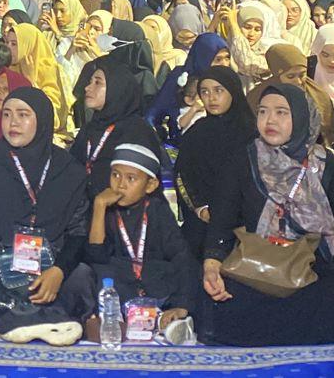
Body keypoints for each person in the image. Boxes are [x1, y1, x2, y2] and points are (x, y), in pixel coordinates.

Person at [200, 84, 334, 346]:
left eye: (281, 112)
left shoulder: (328, 168)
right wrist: (212, 267)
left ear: (300, 118)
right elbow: (221, 223)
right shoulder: (244, 161)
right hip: (256, 266)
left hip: (314, 269)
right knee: (220, 303)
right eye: (263, 112)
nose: (270, 120)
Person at [0, 87, 92, 346]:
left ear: (42, 120)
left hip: (51, 268)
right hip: (2, 267)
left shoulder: (69, 170)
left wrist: (58, 271)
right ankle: (48, 319)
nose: (13, 123)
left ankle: (8, 319)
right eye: (7, 115)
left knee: (83, 276)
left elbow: (78, 232)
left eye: (23, 115)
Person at [84, 144, 197, 340]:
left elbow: (181, 255)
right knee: (100, 271)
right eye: (115, 175)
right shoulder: (105, 209)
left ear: (150, 185)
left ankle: (168, 323)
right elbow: (97, 255)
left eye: (131, 178)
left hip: (156, 288)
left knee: (190, 273)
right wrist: (99, 207)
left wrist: (182, 304)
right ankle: (118, 324)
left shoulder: (157, 211)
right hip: (120, 292)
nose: (120, 185)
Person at [173, 66, 256, 256]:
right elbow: (182, 174)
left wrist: (232, 213)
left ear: (233, 91)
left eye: (219, 90)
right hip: (203, 221)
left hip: (244, 224)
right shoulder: (196, 132)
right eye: (205, 92)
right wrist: (199, 207)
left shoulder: (251, 133)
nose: (211, 98)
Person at [69, 50, 165, 199]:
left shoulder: (137, 132)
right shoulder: (90, 128)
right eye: (89, 82)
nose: (87, 88)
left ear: (116, 88)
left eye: (97, 82)